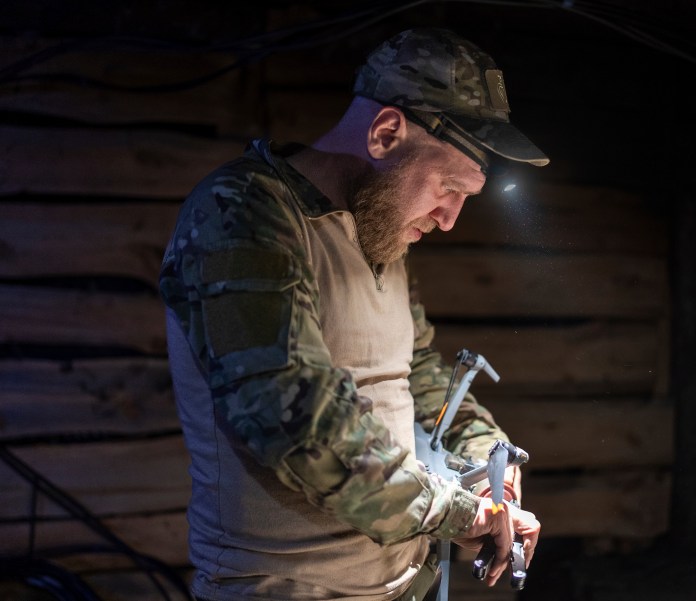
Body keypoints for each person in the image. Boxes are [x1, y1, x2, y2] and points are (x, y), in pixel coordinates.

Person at [159, 27, 548, 601]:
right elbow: (297, 421)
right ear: (386, 133)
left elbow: (418, 371)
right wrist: (462, 514)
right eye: (447, 187)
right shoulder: (243, 214)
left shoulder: (379, 231)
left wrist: (487, 454)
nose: (449, 220)